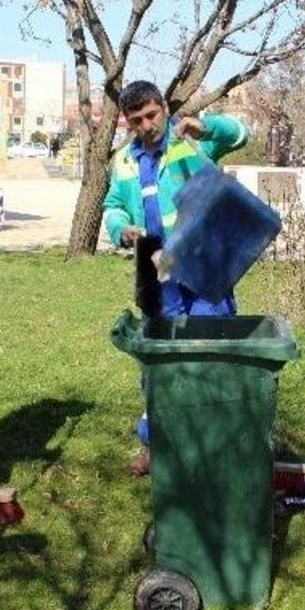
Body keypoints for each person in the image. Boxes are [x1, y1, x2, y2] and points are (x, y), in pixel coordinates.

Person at [103, 80, 250, 475]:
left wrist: (209, 127)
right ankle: (157, 444)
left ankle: (212, 445)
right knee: (159, 360)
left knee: (208, 350)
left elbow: (242, 135)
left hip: (203, 264)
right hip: (155, 272)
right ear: (128, 122)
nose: (147, 125)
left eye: (152, 115)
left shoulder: (191, 141)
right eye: (137, 120)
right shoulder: (125, 160)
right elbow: (114, 204)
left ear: (164, 108)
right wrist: (121, 229)